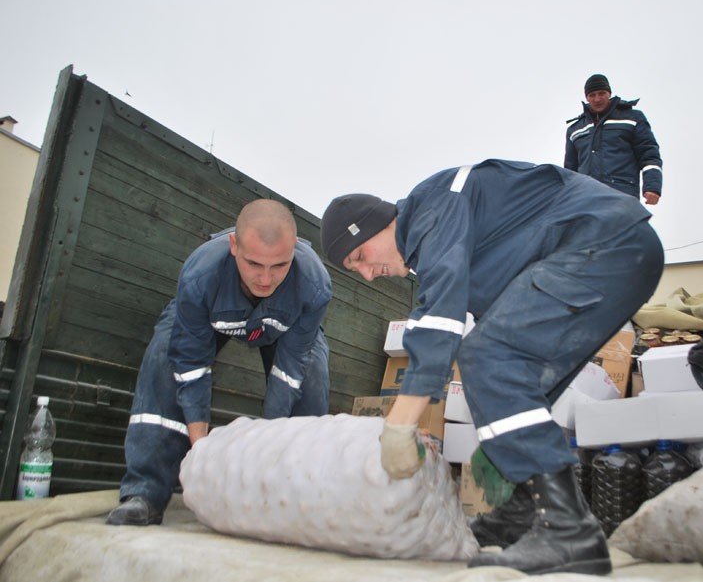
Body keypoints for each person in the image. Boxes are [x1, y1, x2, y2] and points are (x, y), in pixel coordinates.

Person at [320, 159, 663, 575]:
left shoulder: (434, 205)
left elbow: (441, 318)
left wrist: (400, 423)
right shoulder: (450, 238)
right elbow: (504, 341)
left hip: (603, 241)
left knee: (486, 357)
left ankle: (570, 532)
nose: (368, 275)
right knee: (507, 369)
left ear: (377, 223)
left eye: (360, 256)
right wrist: (501, 448)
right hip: (619, 253)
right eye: (354, 270)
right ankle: (522, 510)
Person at [107, 199, 332, 526]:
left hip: (285, 328)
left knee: (311, 375)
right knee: (163, 356)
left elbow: (291, 370)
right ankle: (145, 492)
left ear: (294, 250)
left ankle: (294, 497)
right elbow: (191, 363)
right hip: (208, 318)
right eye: (254, 263)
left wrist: (269, 452)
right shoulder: (200, 275)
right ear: (233, 246)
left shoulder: (314, 284)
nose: (266, 280)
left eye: (279, 266)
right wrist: (203, 456)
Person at [564, 73, 663, 205]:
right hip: (585, 199)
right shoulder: (575, 129)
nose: (597, 99)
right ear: (586, 97)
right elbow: (570, 171)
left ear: (609, 93)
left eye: (601, 93)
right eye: (592, 95)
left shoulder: (632, 118)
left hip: (621, 195)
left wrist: (652, 186)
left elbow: (649, 155)